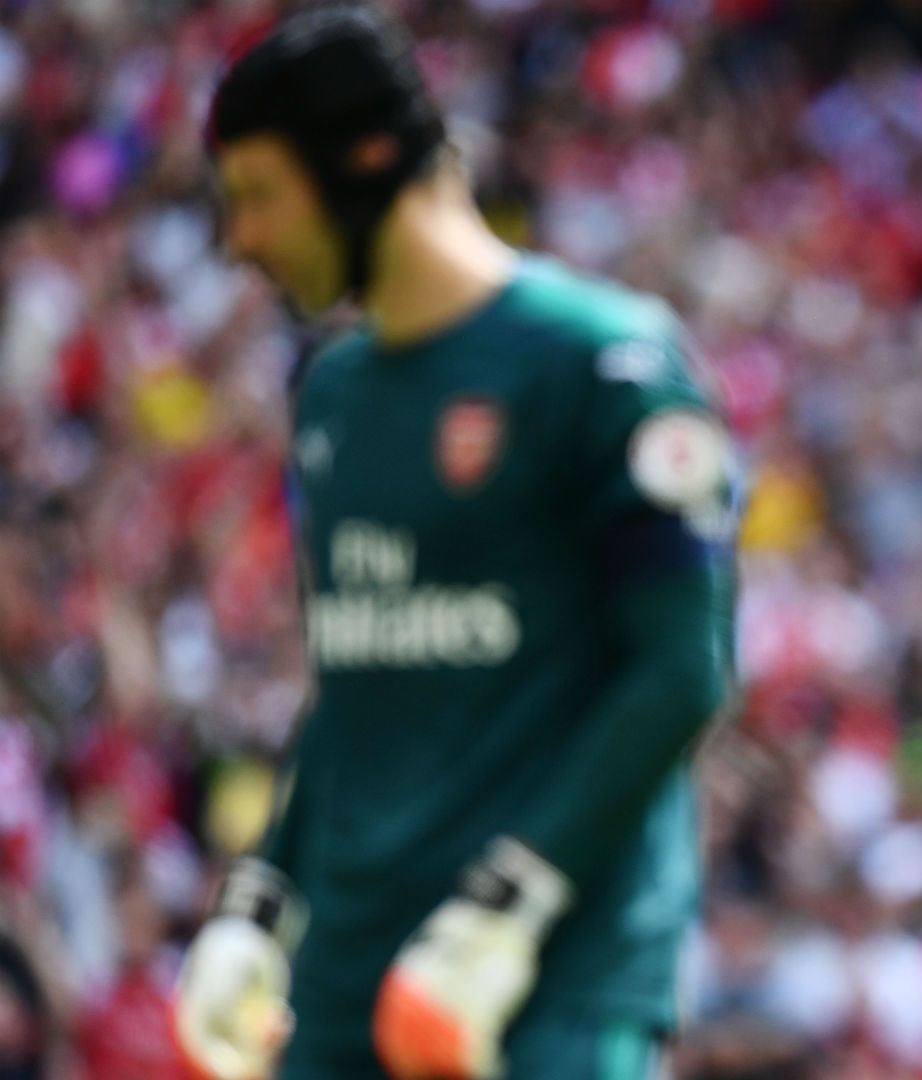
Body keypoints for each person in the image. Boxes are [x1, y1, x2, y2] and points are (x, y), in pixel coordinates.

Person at [172, 7, 736, 1079]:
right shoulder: (332, 394)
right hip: (346, 986)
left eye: (257, 196)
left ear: (368, 161)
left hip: (538, 990)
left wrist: (503, 912)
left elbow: (680, 671)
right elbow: (359, 689)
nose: (238, 240)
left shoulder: (605, 364)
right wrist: (256, 905)